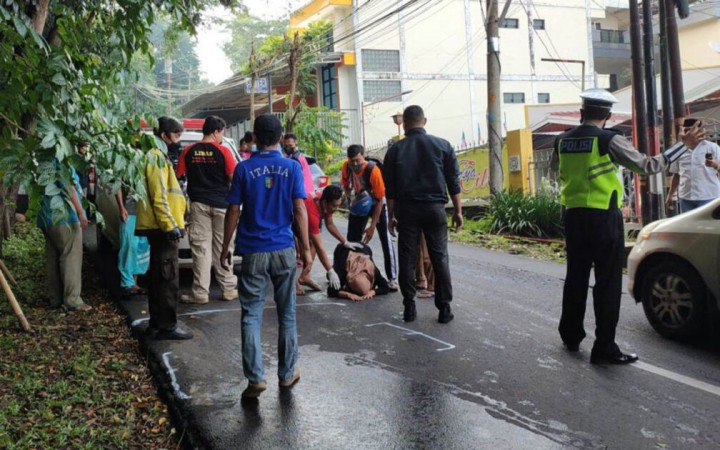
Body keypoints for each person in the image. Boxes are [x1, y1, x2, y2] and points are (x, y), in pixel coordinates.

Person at [552, 88, 703, 364]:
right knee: (607, 283)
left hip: (573, 217)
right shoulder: (609, 140)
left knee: (575, 277)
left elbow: (557, 172)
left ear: (582, 112)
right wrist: (684, 145)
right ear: (608, 116)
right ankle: (604, 347)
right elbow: (647, 165)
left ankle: (571, 336)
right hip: (602, 218)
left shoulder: (562, 141)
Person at [221, 114, 312, 400]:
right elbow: (299, 210)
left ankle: (256, 379)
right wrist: (306, 249)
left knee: (251, 315)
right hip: (283, 248)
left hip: (253, 250)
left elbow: (234, 210)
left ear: (255, 137)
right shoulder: (292, 167)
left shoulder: (243, 169)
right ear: (280, 136)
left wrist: (225, 246)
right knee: (287, 314)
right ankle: (286, 375)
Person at [383, 105, 463, 324]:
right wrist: (458, 211)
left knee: (407, 258)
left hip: (407, 210)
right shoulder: (443, 145)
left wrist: (390, 217)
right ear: (424, 121)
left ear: (405, 123)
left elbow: (390, 189)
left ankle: (409, 306)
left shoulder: (395, 151)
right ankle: (444, 308)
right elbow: (453, 182)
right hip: (435, 209)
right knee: (440, 257)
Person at [135, 116, 192, 340]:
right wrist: (170, 226)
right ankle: (166, 326)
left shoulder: (156, 156)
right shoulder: (156, 157)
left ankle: (157, 324)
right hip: (162, 228)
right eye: (176, 136)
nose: (178, 140)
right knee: (167, 279)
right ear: (164, 135)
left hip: (160, 226)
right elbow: (159, 196)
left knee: (160, 277)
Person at [177, 115, 238, 304]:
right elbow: (233, 179)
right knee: (224, 247)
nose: (222, 136)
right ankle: (228, 289)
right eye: (222, 133)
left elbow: (178, 177)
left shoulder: (188, 151)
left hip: (198, 205)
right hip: (223, 206)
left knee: (201, 249)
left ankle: (201, 293)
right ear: (215, 131)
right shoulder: (224, 152)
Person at [341, 144, 398, 289]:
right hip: (360, 204)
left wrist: (372, 226)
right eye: (351, 160)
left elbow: (379, 200)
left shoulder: (373, 170)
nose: (355, 164)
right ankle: (350, 274)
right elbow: (345, 185)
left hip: (377, 205)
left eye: (357, 160)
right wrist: (349, 197)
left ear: (363, 156)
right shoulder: (346, 167)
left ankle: (392, 278)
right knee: (352, 240)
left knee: (386, 239)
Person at [38, 160, 91, 311]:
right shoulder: (60, 161)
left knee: (53, 258)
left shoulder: (43, 160)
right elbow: (69, 187)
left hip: (45, 217)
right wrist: (81, 213)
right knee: (71, 257)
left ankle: (55, 298)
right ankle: (72, 300)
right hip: (64, 217)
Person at [296, 184, 353, 293]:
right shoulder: (313, 212)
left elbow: (330, 224)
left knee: (311, 243)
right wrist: (331, 271)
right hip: (289, 223)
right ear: (325, 202)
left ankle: (304, 276)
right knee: (302, 250)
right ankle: (294, 284)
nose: (335, 209)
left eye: (337, 206)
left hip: (302, 219)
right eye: (334, 206)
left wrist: (344, 241)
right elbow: (320, 247)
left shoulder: (325, 202)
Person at [665, 118, 720, 214]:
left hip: (709, 196)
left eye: (692, 130)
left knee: (708, 227)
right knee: (689, 228)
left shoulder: (712, 147)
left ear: (700, 131)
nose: (688, 134)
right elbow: (677, 174)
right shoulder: (679, 150)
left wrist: (716, 165)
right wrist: (670, 195)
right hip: (686, 198)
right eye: (686, 130)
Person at [116, 185, 149, 297]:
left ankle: (134, 283)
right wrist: (121, 207)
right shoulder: (125, 168)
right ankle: (126, 283)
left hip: (144, 213)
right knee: (129, 246)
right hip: (129, 212)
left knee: (141, 247)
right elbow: (117, 186)